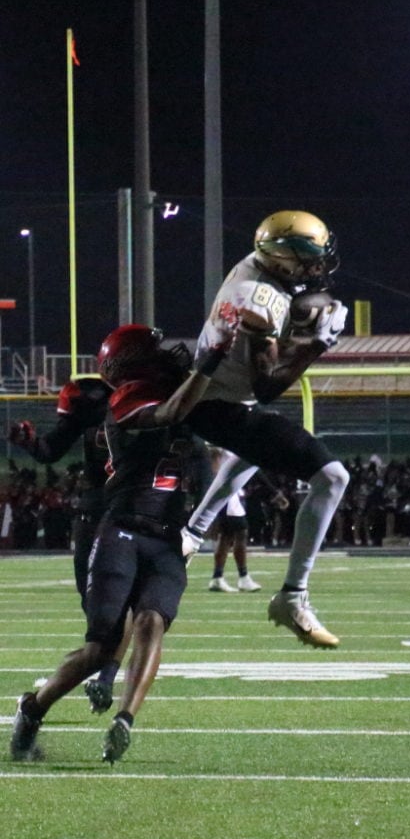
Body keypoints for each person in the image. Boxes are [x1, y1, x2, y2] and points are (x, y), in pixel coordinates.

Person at [10, 323, 234, 765]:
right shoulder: (126, 400)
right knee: (100, 649)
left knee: (153, 621)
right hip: (122, 528)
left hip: (169, 537)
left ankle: (126, 719)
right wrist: (207, 365)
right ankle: (33, 708)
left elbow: (208, 458)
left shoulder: (176, 397)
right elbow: (170, 412)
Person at [182, 210, 350, 647]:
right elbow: (269, 386)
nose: (316, 268)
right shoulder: (261, 300)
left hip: (219, 395)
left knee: (252, 451)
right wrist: (317, 344)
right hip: (218, 404)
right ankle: (293, 596)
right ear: (281, 258)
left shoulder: (257, 266)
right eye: (307, 259)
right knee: (332, 477)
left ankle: (191, 533)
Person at [8, 376, 131, 711]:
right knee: (101, 614)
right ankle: (99, 678)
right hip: (103, 512)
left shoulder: (151, 396)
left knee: (132, 607)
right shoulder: (93, 400)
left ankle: (103, 680)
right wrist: (31, 443)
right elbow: (52, 449)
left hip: (132, 512)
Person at [208, 490, 262, 592]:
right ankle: (243, 576)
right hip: (228, 495)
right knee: (240, 531)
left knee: (227, 534)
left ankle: (218, 576)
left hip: (229, 495)